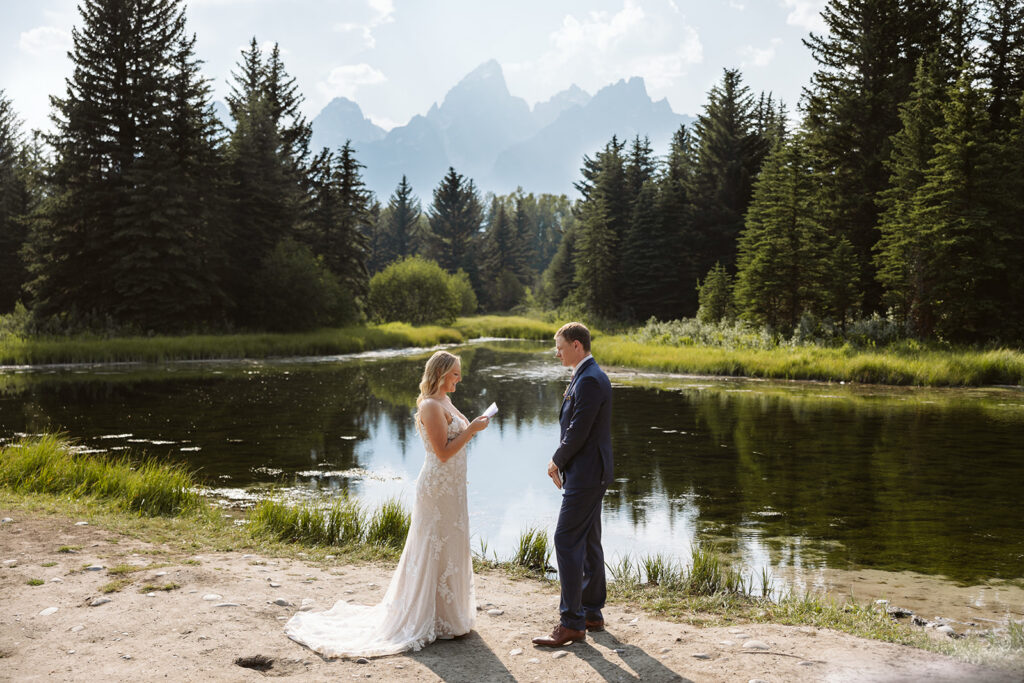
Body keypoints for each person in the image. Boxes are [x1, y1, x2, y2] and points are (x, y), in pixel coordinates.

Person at [285, 350, 489, 658]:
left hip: (453, 490)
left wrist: (471, 426)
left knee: (450, 544)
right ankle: (427, 617)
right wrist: (472, 430)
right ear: (442, 374)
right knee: (431, 546)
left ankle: (449, 617)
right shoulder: (431, 406)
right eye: (455, 374)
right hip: (436, 489)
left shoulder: (446, 400)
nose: (459, 378)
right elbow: (443, 452)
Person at [533, 321, 614, 647]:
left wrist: (557, 461)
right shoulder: (586, 375)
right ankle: (591, 612)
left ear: (577, 346)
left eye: (561, 347)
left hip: (586, 473)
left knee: (566, 538)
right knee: (589, 539)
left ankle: (571, 623)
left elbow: (579, 431)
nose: (557, 352)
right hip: (590, 472)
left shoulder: (591, 379)